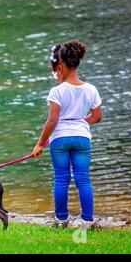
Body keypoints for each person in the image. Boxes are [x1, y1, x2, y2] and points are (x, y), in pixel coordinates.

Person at [31, 40, 103, 230]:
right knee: (83, 179)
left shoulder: (57, 91)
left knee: (62, 179)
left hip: (60, 140)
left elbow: (53, 121)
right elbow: (97, 117)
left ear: (60, 67)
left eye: (55, 69)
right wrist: (79, 123)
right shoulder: (91, 89)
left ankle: (62, 220)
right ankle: (88, 221)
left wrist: (39, 144)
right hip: (82, 139)